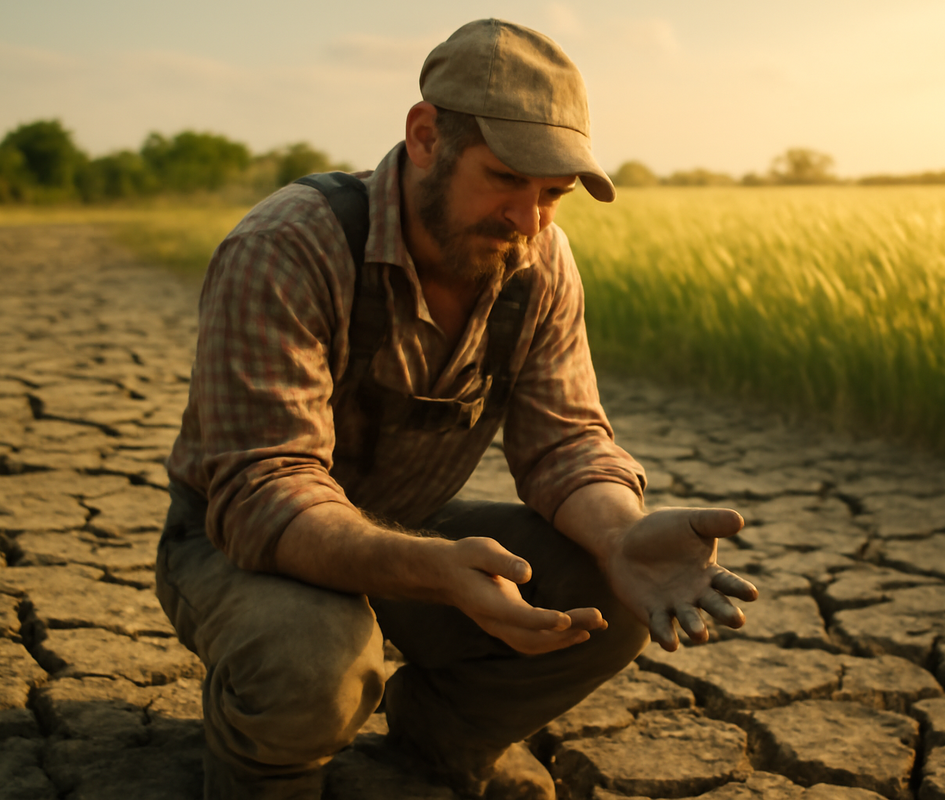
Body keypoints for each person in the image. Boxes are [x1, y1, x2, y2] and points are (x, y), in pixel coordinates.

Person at [156, 18, 758, 800]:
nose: (530, 219)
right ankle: (266, 768)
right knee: (313, 661)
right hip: (237, 546)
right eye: (506, 177)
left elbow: (566, 443)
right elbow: (266, 492)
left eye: (554, 194)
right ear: (425, 136)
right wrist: (436, 572)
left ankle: (438, 748)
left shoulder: (539, 263)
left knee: (609, 594)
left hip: (408, 525)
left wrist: (620, 535)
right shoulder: (287, 249)